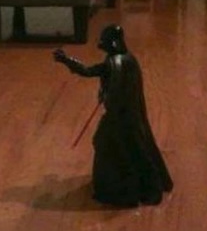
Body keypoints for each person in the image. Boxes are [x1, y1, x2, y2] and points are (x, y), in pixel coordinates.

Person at [53, 25, 173, 206]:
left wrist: (66, 60)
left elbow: (95, 75)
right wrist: (67, 61)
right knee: (128, 146)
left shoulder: (115, 62)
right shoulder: (128, 59)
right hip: (128, 114)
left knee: (109, 143)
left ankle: (122, 189)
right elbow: (94, 73)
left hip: (119, 115)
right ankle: (140, 186)